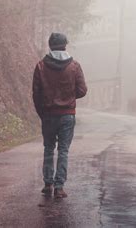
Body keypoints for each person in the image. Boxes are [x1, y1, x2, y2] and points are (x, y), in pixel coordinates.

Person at [32, 32, 87, 198]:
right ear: (65, 45)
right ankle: (59, 187)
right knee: (63, 150)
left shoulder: (41, 66)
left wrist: (42, 112)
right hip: (67, 115)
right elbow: (82, 90)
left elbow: (36, 93)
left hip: (48, 114)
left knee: (49, 149)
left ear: (50, 45)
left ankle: (47, 184)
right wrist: (68, 97)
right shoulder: (74, 66)